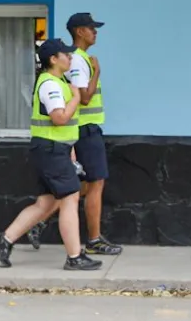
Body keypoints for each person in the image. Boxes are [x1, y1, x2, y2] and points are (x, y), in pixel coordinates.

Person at [0, 38, 103, 271]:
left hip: (54, 149)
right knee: (71, 197)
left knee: (46, 203)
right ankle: (74, 257)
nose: (71, 58)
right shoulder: (51, 84)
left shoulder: (58, 81)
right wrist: (75, 98)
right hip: (51, 150)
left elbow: (64, 125)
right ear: (54, 59)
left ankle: (5, 239)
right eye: (67, 55)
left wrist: (71, 151)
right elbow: (59, 118)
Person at [27, 13, 122, 256]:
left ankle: (38, 222)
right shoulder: (80, 61)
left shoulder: (77, 60)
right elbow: (85, 96)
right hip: (85, 129)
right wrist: (97, 71)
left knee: (75, 187)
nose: (95, 32)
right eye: (92, 28)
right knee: (95, 183)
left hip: (83, 129)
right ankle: (94, 239)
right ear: (79, 31)